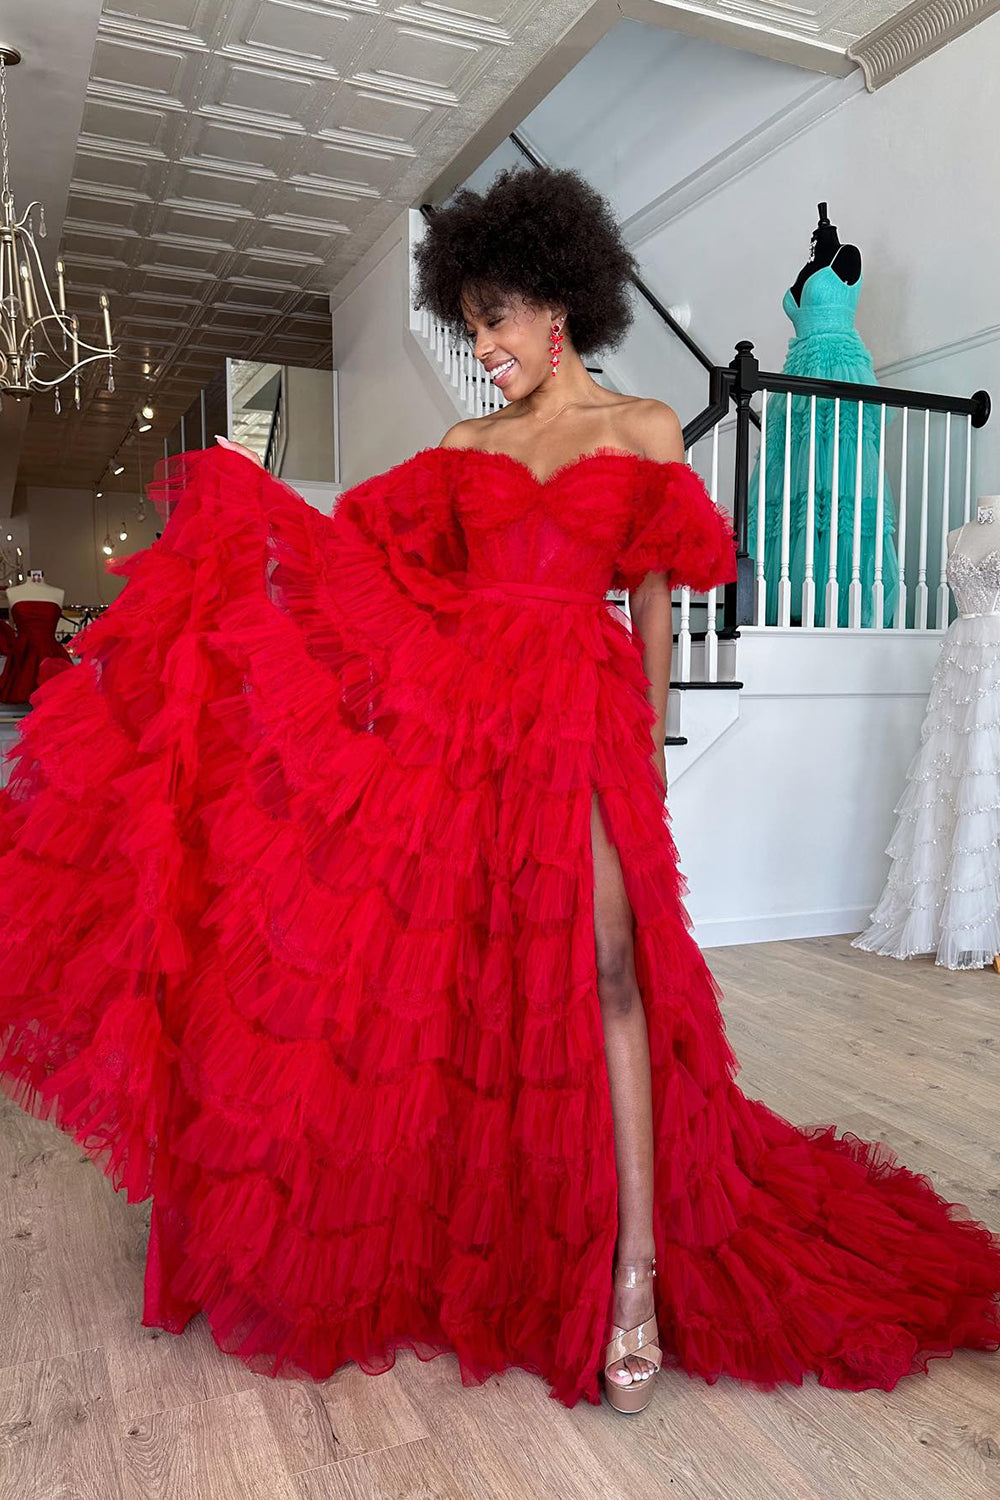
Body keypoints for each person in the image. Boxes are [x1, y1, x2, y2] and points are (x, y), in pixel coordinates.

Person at [0, 166, 997, 1418]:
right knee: (467, 973)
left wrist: (646, 743)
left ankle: (635, 1272)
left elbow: (653, 604)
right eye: (467, 324)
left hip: (582, 719)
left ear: (558, 305)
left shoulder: (641, 430)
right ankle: (488, 1227)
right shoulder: (464, 449)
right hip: (468, 729)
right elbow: (368, 575)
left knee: (615, 972)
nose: (481, 348)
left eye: (495, 320)